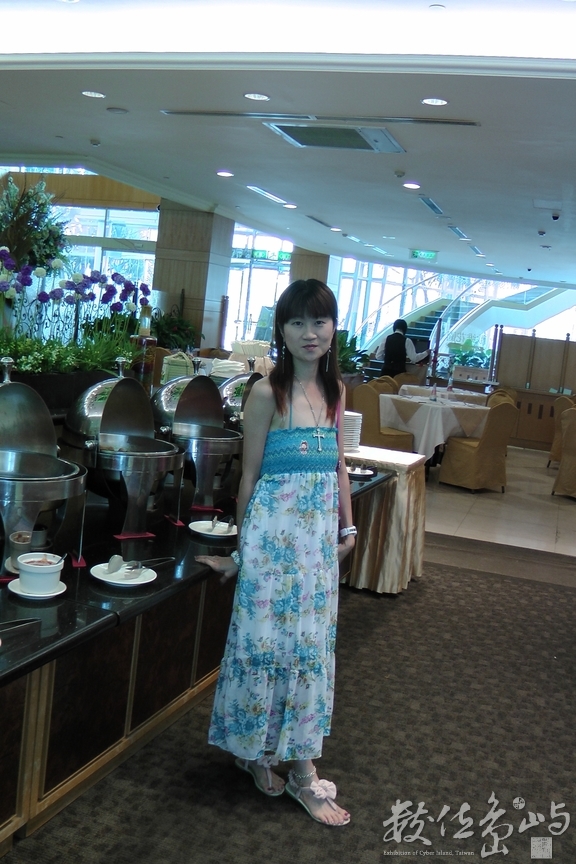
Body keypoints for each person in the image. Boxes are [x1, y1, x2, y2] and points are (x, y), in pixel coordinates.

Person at [196, 278, 355, 827]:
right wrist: (243, 552)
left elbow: (338, 467)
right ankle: (268, 758)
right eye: (297, 322)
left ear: (333, 328)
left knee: (308, 651)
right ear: (281, 331)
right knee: (264, 647)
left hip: (316, 549)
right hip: (271, 542)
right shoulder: (267, 393)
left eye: (319, 321)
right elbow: (249, 478)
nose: (310, 333)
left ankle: (289, 764)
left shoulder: (336, 390)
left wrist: (348, 530)